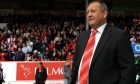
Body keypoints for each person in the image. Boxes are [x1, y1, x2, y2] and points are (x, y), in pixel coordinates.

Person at [71, 1, 136, 84]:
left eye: (93, 11)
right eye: (87, 12)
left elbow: (128, 69)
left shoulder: (119, 36)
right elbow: (76, 65)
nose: (89, 15)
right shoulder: (81, 37)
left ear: (104, 14)